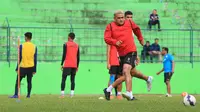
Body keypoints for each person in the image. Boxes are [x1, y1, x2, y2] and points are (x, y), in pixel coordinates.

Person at [104, 10, 152, 101]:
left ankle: (129, 93)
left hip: (131, 51)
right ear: (114, 18)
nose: (121, 19)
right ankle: (148, 78)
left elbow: (137, 29)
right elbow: (106, 38)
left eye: (122, 17)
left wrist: (140, 39)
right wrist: (115, 42)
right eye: (119, 18)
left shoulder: (129, 22)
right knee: (131, 73)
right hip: (121, 54)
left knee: (126, 70)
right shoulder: (110, 26)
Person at [10, 32, 37, 98]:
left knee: (18, 81)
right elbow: (35, 58)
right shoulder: (34, 46)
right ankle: (28, 95)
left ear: (26, 37)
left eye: (25, 37)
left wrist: (17, 68)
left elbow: (19, 57)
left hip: (23, 66)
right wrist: (35, 69)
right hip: (31, 66)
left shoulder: (22, 46)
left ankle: (16, 94)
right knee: (29, 81)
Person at [60, 32, 80, 98]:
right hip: (74, 65)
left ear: (69, 37)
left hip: (67, 64)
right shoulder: (77, 45)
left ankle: (62, 94)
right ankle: (72, 94)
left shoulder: (65, 44)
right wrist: (77, 66)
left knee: (63, 78)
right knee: (73, 79)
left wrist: (61, 63)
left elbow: (64, 54)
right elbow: (78, 57)